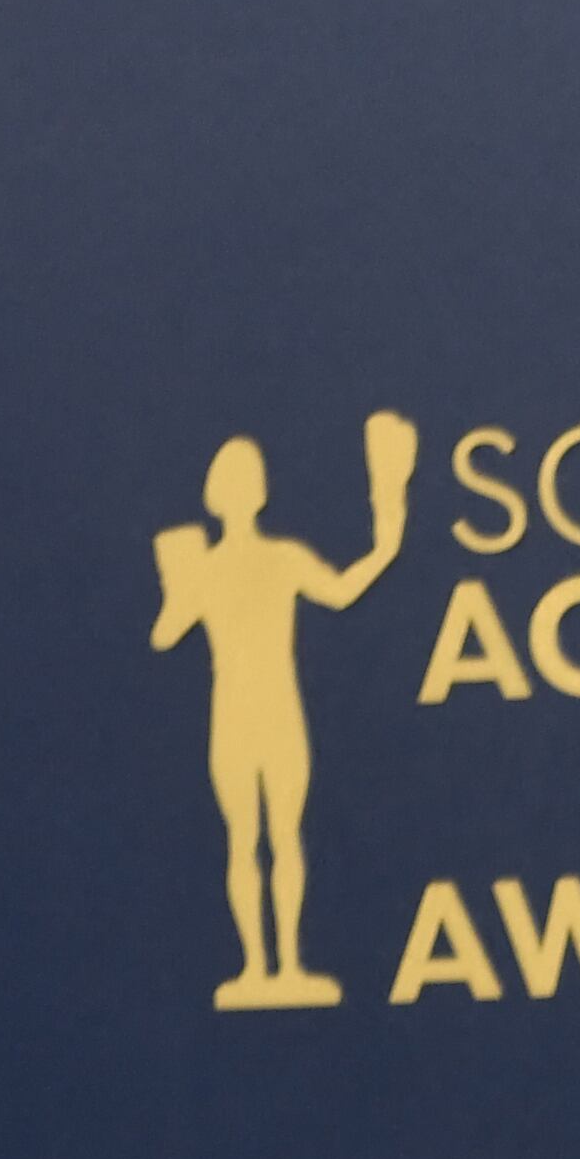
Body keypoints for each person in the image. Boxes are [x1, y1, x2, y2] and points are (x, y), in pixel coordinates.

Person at [150, 413, 415, 1007]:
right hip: (240, 711)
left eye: (250, 480)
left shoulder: (281, 558)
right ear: (221, 497)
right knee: (248, 838)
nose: (244, 491)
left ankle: (287, 964)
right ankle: (257, 968)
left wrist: (390, 537)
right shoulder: (210, 568)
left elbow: (343, 591)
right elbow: (166, 634)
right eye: (237, 481)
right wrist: (176, 581)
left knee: (279, 836)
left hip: (275, 708)